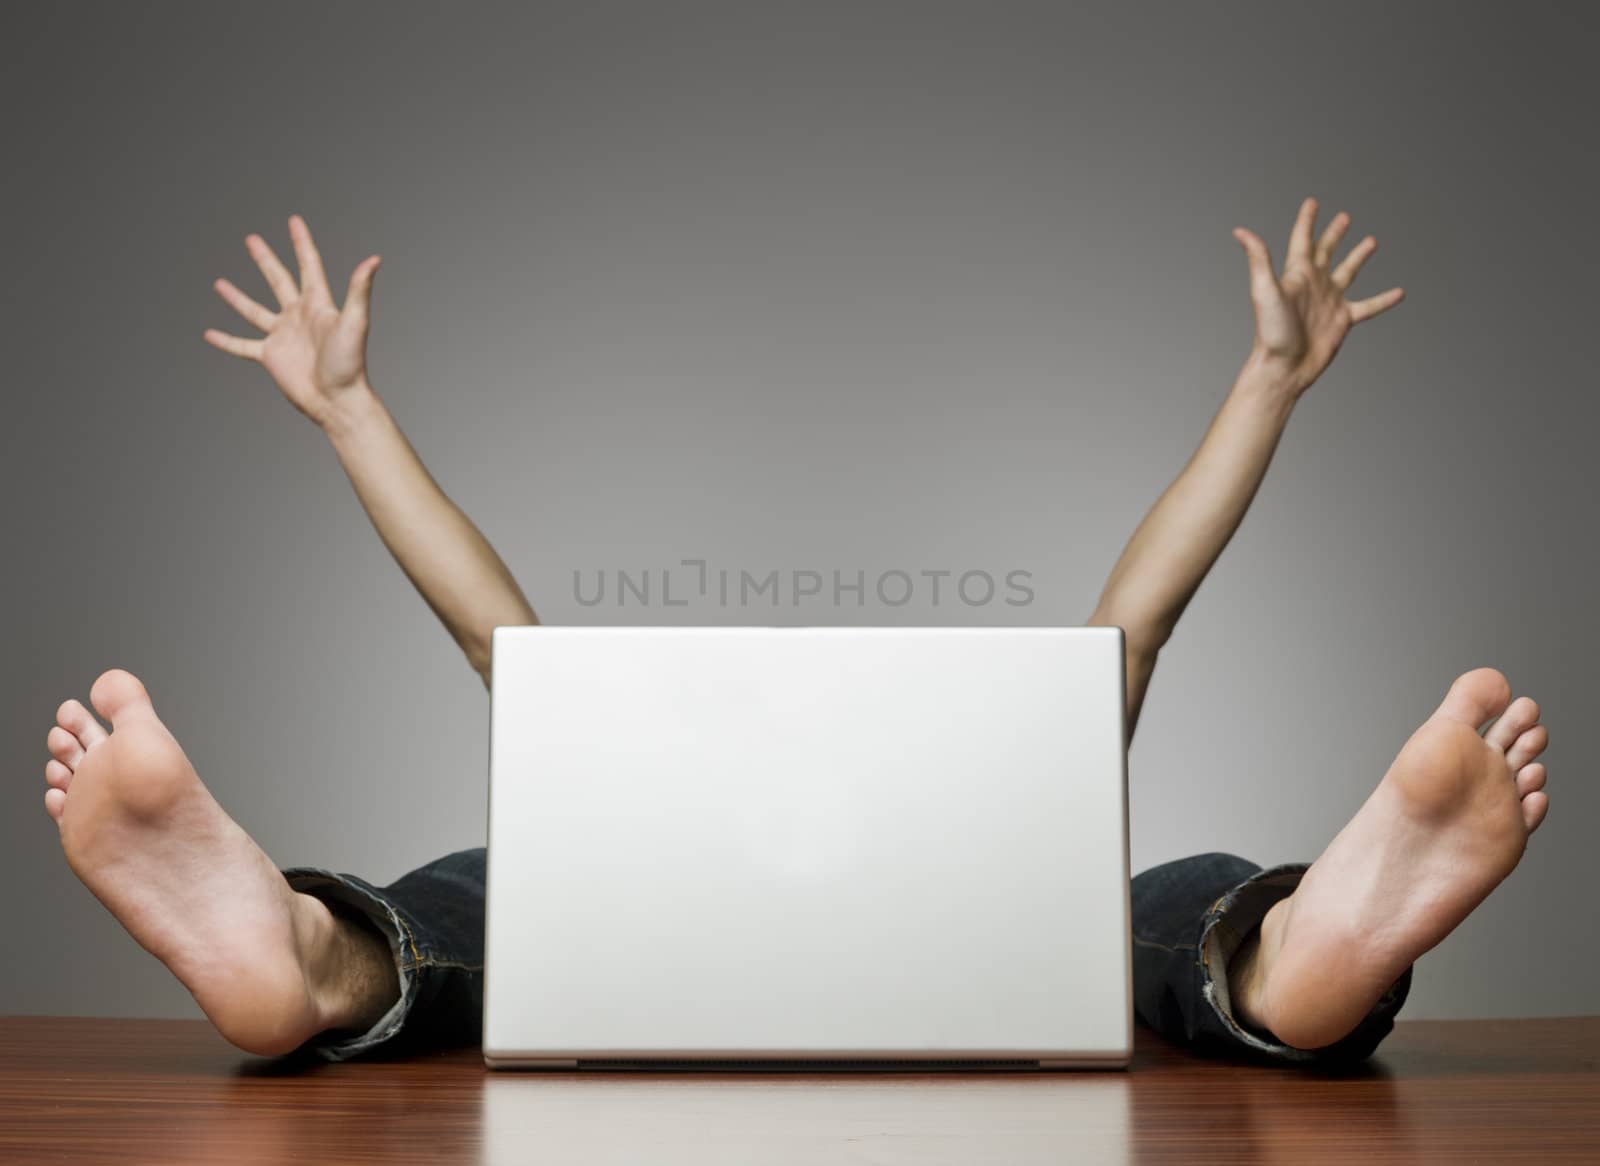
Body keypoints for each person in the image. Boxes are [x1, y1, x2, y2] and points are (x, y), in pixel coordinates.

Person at [40, 199, 1551, 1064]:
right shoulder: (989, 832)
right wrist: (1268, 389)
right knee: (1166, 910)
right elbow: (1136, 623)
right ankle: (1283, 965)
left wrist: (356, 417)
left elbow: (506, 649)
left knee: (465, 915)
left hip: (656, 912)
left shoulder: (634, 814)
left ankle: (313, 961)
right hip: (970, 923)